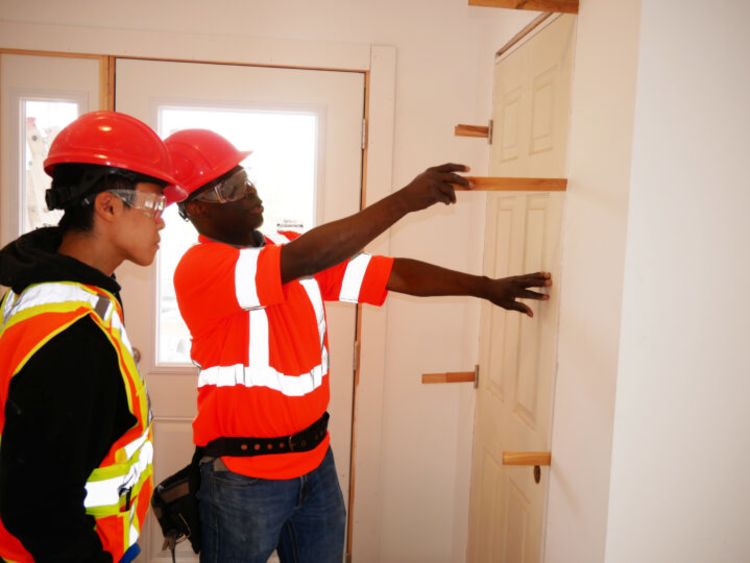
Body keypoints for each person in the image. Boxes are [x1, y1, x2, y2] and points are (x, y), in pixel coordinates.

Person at [165, 128, 551, 563]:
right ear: (196, 208)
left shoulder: (287, 251)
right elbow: (309, 257)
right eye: (231, 186)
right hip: (242, 478)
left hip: (315, 463)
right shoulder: (201, 269)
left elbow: (396, 275)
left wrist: (486, 287)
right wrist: (404, 199)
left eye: (245, 176)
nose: (250, 191)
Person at [0, 111, 186, 563]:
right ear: (107, 206)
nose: (162, 222)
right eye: (155, 204)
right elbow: (39, 504)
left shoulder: (58, 291)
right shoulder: (73, 332)